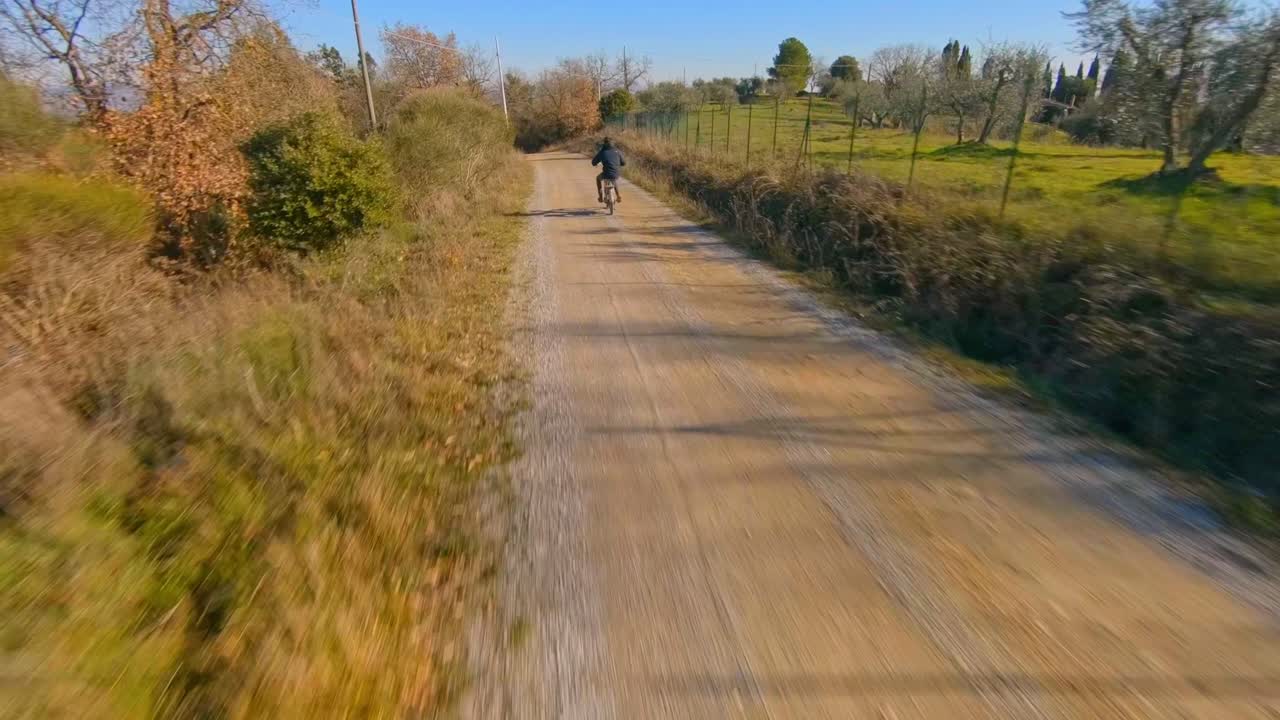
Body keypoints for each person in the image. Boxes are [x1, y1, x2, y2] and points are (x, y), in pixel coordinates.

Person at [591, 137, 626, 204]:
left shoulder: (602, 152)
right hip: (616, 173)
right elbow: (624, 163)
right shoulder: (618, 151)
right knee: (613, 179)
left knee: (598, 178)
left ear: (604, 144)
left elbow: (593, 162)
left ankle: (600, 197)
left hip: (606, 173)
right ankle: (618, 195)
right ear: (613, 144)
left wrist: (598, 161)